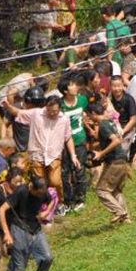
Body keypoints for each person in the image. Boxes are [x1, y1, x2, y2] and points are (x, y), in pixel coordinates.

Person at [1, 95, 81, 204]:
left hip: (54, 155)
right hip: (37, 154)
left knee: (55, 181)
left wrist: (73, 155)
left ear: (59, 109)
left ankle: (60, 202)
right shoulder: (36, 114)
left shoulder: (64, 119)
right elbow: (19, 112)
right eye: (49, 110)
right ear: (46, 107)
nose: (52, 113)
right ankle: (42, 204)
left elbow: (68, 137)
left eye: (55, 111)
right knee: (40, 183)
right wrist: (8, 106)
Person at [0, 175, 54, 271]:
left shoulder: (43, 191)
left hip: (36, 228)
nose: (40, 196)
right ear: (31, 187)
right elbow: (1, 210)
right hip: (19, 228)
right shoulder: (21, 191)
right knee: (20, 266)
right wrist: (7, 233)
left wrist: (46, 212)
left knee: (47, 258)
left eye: (42, 194)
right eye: (38, 194)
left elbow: (51, 200)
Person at [87, 103, 132, 224]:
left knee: (102, 190)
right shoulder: (110, 121)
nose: (89, 118)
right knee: (116, 190)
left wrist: (101, 153)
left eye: (89, 115)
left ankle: (119, 212)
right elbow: (114, 138)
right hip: (121, 159)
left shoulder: (103, 125)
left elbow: (116, 141)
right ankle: (126, 218)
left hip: (115, 161)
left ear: (94, 114)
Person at [58, 74, 89, 213]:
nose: (75, 86)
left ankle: (80, 198)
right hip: (64, 143)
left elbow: (88, 113)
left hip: (80, 140)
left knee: (79, 169)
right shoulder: (60, 105)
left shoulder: (82, 100)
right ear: (65, 90)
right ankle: (68, 200)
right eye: (72, 85)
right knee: (65, 171)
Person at [110, 75, 136, 156]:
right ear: (110, 86)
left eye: (119, 86)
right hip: (113, 127)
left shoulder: (129, 99)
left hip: (126, 128)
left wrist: (123, 131)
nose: (116, 89)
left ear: (123, 86)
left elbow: (133, 120)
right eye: (114, 86)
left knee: (121, 152)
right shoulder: (108, 99)